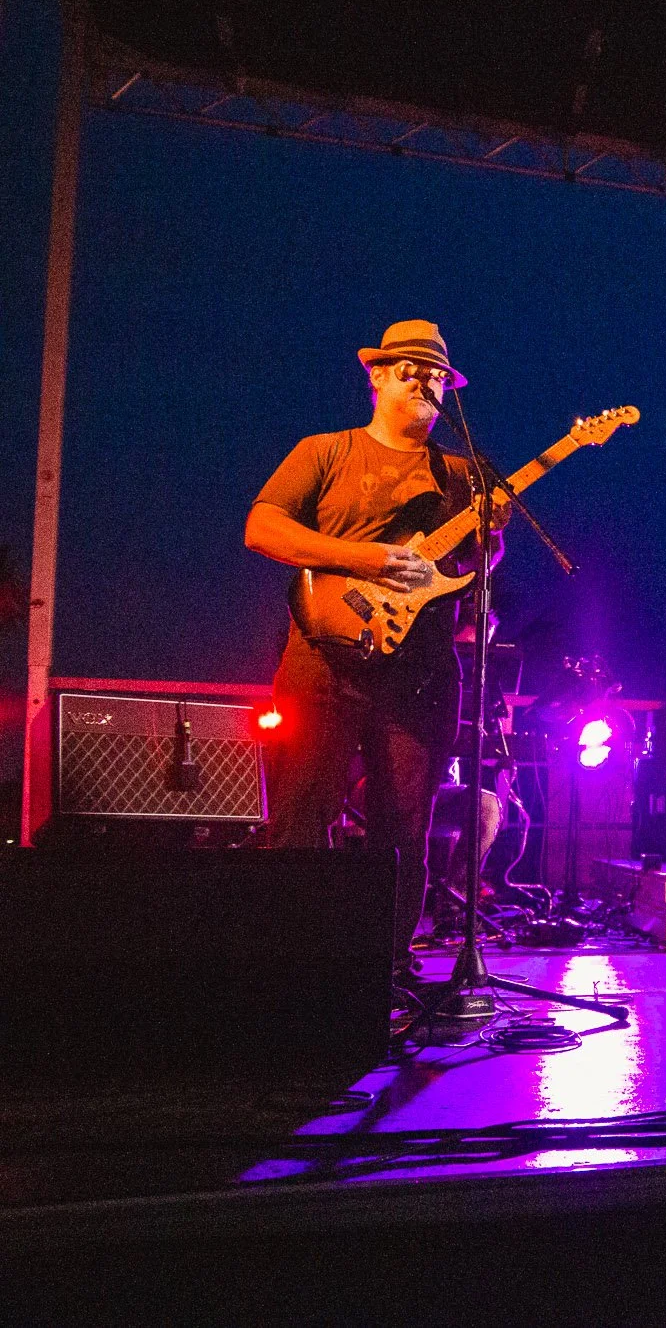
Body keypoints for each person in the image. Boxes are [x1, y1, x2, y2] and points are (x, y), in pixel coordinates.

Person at [244, 319, 501, 977]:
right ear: (378, 375)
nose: (425, 381)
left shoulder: (460, 473)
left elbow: (471, 567)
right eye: (410, 368)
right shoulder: (326, 451)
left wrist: (489, 541)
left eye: (436, 373)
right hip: (323, 661)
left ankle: (385, 968)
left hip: (419, 672)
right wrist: (364, 558)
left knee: (406, 827)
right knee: (302, 815)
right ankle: (291, 963)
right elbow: (262, 526)